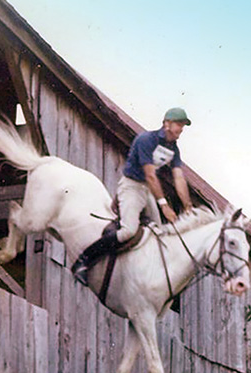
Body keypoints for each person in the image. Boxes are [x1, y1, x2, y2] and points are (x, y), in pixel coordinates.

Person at [72, 107, 193, 284]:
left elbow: (179, 178)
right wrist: (164, 206)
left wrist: (188, 206)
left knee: (160, 235)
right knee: (128, 231)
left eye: (183, 126)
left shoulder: (174, 148)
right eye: (179, 125)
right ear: (167, 124)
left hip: (147, 190)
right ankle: (83, 260)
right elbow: (150, 175)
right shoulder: (146, 140)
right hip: (132, 186)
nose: (181, 129)